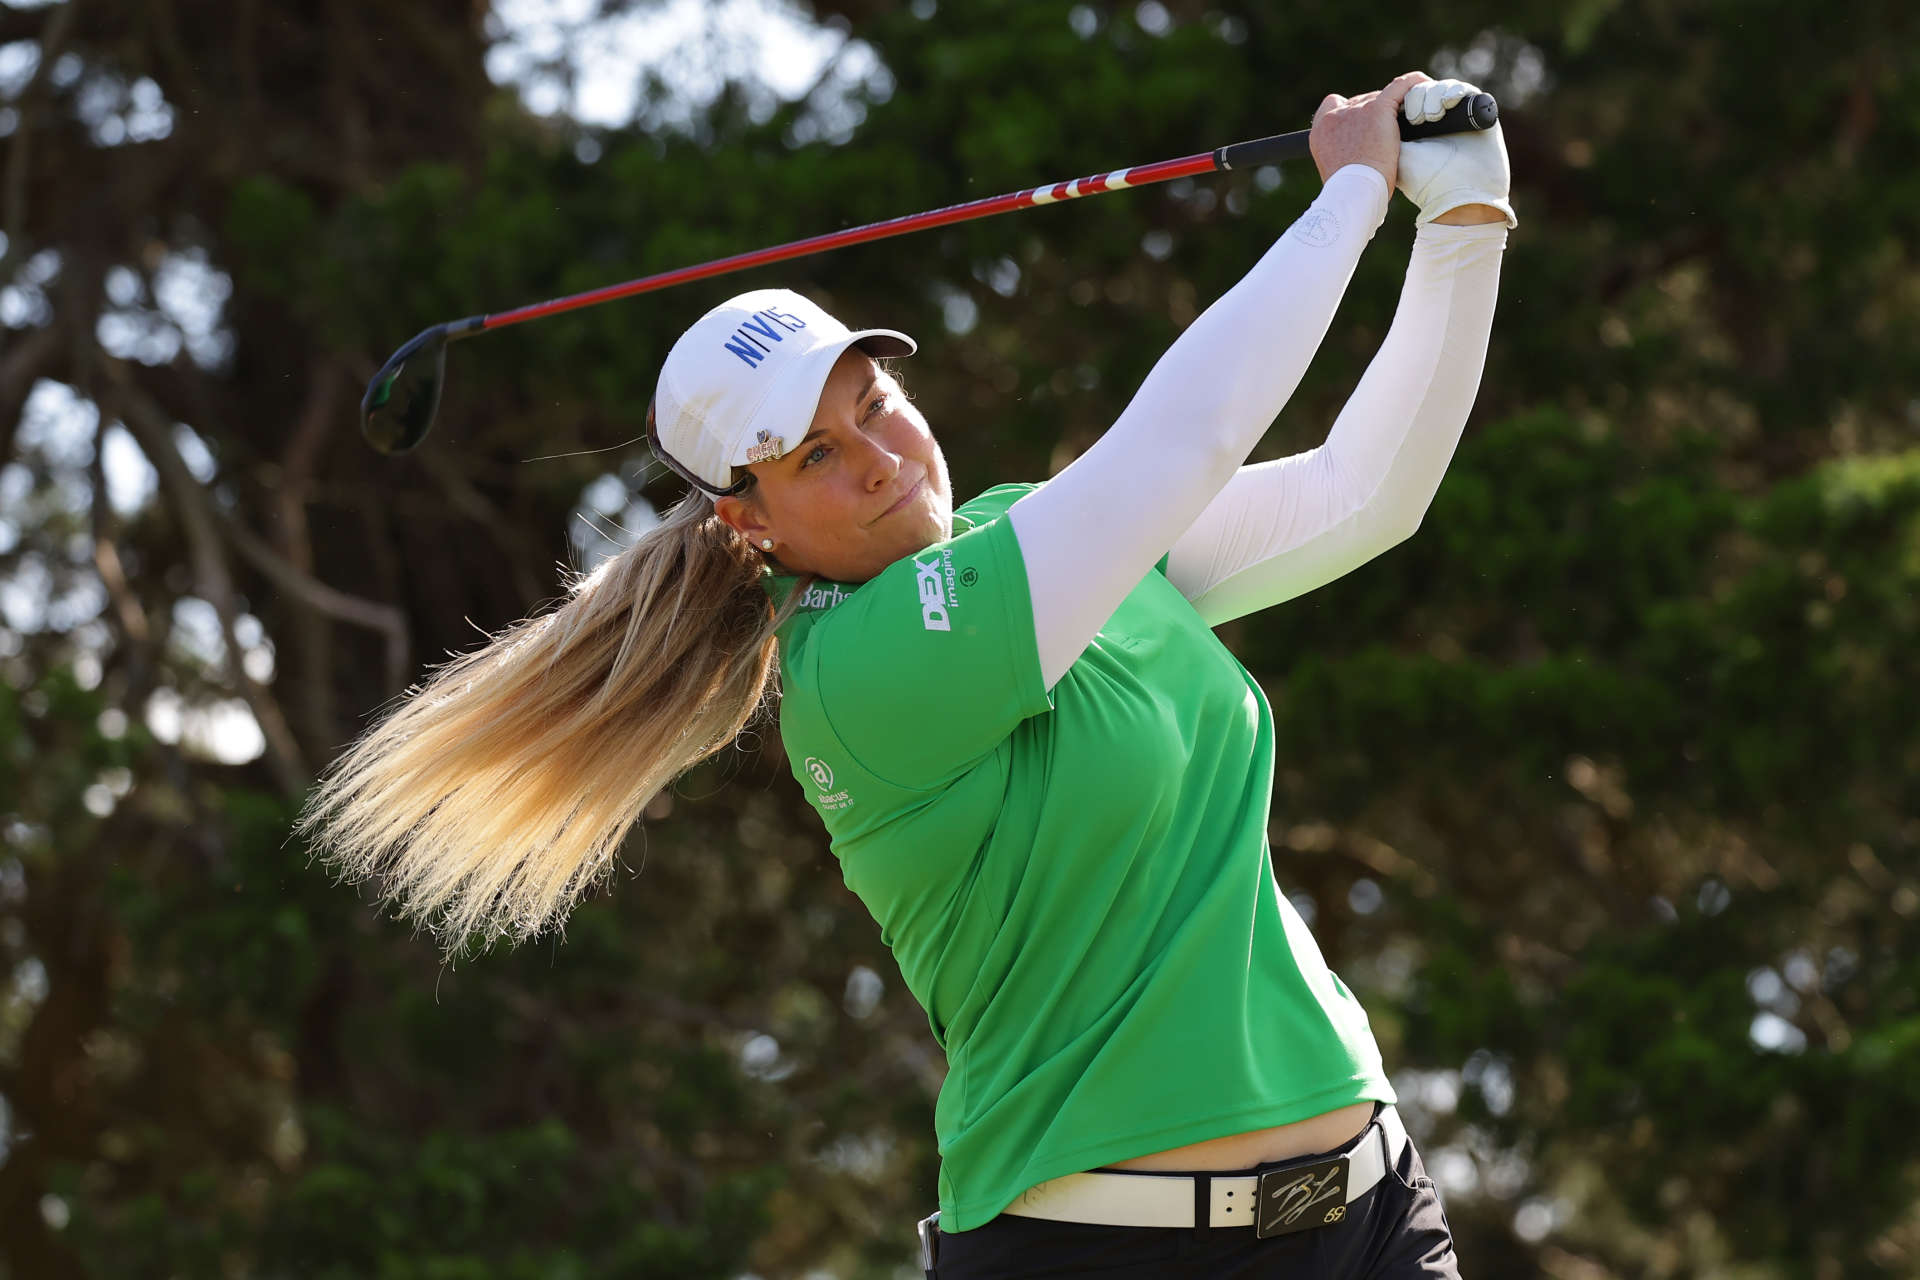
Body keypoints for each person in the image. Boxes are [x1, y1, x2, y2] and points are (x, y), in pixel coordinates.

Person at [303, 69, 1513, 1279]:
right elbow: (1182, 441)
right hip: (1110, 1255)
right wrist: (1349, 194)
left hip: (1373, 1212)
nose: (881, 460)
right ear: (747, 522)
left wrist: (1463, 215)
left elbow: (1362, 495)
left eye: (876, 404)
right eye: (817, 456)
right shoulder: (858, 671)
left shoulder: (1026, 533)